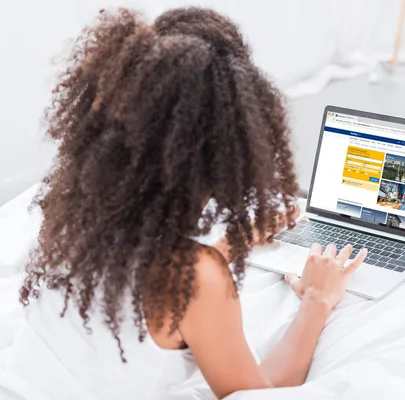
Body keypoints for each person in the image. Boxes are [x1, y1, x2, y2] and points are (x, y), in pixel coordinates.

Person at [0, 7, 367, 400]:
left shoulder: (67, 211)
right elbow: (259, 393)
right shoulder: (194, 281)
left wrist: (233, 244)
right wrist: (318, 298)